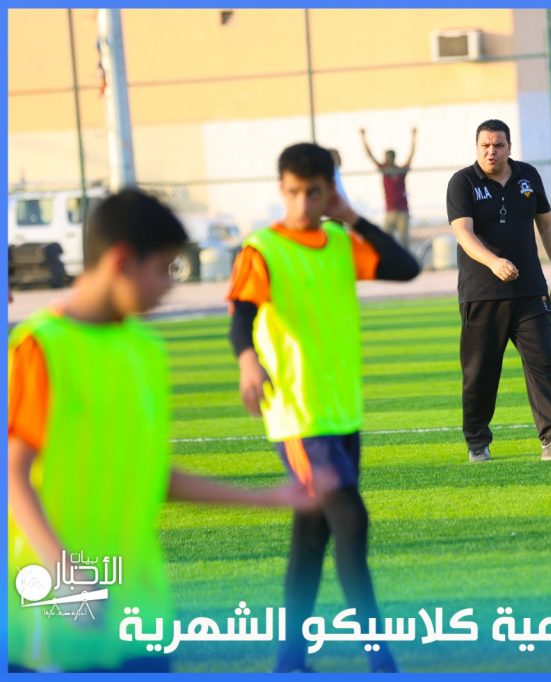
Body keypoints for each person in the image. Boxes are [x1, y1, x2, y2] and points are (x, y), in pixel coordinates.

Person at [8, 189, 324, 673]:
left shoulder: (146, 349)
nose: (169, 286)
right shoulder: (40, 347)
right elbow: (13, 475)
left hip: (140, 612)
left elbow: (151, 473)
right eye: (164, 269)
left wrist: (268, 498)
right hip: (55, 617)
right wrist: (67, 577)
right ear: (121, 262)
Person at [227, 142, 420, 673]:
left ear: (329, 191)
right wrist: (247, 360)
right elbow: (241, 317)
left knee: (312, 539)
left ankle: (290, 659)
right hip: (298, 416)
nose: (302, 203)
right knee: (351, 520)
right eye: (293, 192)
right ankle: (381, 659)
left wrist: (351, 217)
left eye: (314, 192)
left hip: (342, 414)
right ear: (281, 188)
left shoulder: (339, 241)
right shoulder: (262, 248)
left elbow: (406, 267)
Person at [446, 119, 551, 463]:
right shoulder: (463, 182)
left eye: (498, 145)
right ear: (477, 148)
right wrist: (493, 262)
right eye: (485, 146)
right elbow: (463, 233)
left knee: (544, 366)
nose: (491, 152)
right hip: (482, 294)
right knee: (480, 375)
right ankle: (477, 443)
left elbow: (547, 224)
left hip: (529, 292)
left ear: (509, 147)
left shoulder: (528, 176)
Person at [360, 127, 416, 248]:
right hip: (390, 211)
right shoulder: (384, 170)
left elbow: (411, 155)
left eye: (388, 157)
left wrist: (414, 137)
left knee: (403, 241)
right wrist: (363, 137)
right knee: (386, 240)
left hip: (402, 211)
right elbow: (370, 155)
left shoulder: (400, 171)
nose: (386, 159)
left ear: (393, 158)